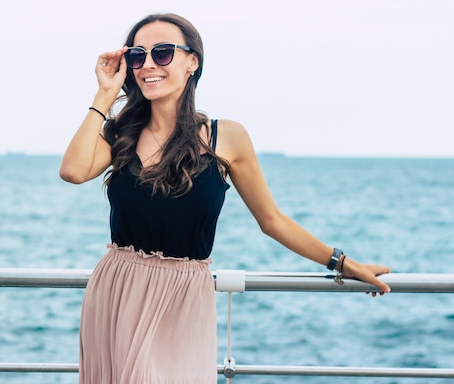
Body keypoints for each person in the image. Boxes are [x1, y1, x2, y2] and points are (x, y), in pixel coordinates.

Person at [60, 13, 391, 384]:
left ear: (192, 62)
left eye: (163, 53)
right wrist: (104, 95)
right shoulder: (120, 132)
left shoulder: (226, 137)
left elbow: (272, 221)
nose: (148, 64)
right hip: (119, 291)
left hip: (184, 297)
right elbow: (72, 171)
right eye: (138, 55)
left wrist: (342, 262)